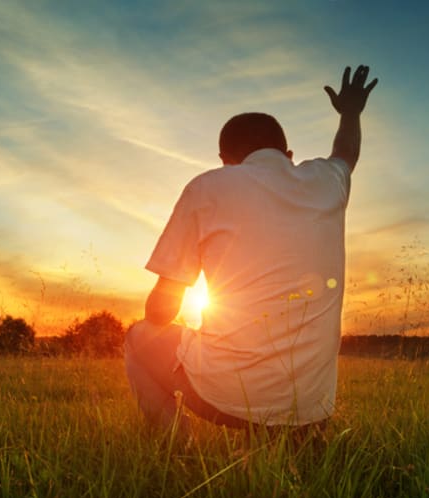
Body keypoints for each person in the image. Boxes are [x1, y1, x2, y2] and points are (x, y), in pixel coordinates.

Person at [124, 65, 378, 435]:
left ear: (224, 160)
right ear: (288, 154)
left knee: (139, 335)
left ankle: (175, 449)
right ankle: (294, 438)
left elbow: (161, 312)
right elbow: (346, 152)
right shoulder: (327, 181)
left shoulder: (207, 186)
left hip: (225, 402)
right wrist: (351, 113)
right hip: (311, 408)